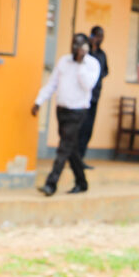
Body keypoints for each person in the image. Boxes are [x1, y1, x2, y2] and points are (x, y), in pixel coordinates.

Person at [31, 33, 100, 197]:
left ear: (85, 47)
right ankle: (82, 182)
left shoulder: (92, 64)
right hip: (61, 111)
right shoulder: (63, 61)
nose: (75, 47)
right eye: (73, 44)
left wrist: (81, 63)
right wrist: (39, 101)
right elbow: (52, 83)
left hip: (78, 111)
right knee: (71, 148)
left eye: (79, 45)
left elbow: (88, 85)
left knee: (63, 148)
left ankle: (51, 184)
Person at [77, 25, 109, 169]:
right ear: (91, 36)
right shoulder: (85, 53)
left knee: (88, 129)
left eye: (101, 36)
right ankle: (73, 157)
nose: (99, 39)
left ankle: (80, 159)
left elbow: (105, 71)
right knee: (78, 127)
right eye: (97, 35)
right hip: (82, 97)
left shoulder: (102, 55)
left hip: (95, 97)